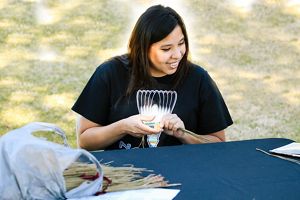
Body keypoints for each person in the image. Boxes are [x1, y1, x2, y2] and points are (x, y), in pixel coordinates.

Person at [72, 5, 233, 151]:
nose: (177, 55)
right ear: (143, 48)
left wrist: (184, 134)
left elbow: (218, 144)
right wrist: (123, 127)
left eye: (181, 43)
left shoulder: (198, 79)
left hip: (182, 173)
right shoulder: (110, 73)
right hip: (125, 175)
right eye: (166, 48)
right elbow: (85, 140)